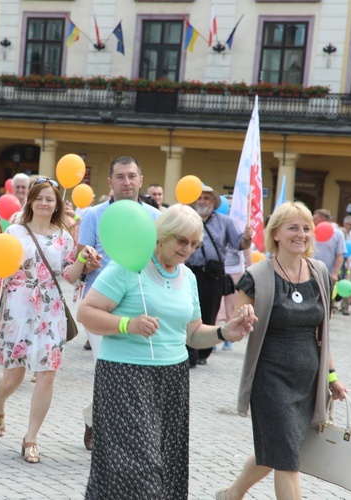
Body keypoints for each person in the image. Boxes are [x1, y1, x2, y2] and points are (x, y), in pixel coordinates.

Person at [78, 204, 256, 498]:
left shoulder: (187, 277)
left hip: (172, 378)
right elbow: (86, 312)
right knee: (140, 466)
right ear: (161, 236)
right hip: (125, 375)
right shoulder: (127, 267)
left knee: (168, 464)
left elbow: (194, 334)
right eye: (181, 241)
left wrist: (225, 331)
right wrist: (127, 324)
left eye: (194, 243)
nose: (187, 249)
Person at [217, 201, 348, 500]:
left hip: (307, 379)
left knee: (278, 450)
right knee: (288, 460)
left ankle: (231, 494)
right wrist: (243, 319)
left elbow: (323, 333)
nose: (301, 234)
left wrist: (331, 376)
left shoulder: (320, 273)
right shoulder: (257, 275)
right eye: (293, 228)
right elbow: (237, 327)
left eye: (306, 228)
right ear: (276, 233)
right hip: (271, 380)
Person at [0, 178, 97, 464]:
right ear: (31, 201)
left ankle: (31, 438)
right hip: (18, 306)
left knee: (47, 375)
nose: (45, 203)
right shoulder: (15, 231)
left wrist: (82, 258)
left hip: (51, 311)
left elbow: (70, 276)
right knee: (14, 375)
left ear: (57, 204)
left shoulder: (64, 236)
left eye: (50, 199)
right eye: (40, 198)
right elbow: (0, 272)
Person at [76, 155, 161, 450]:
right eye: (120, 177)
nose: (127, 182)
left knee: (132, 373)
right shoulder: (93, 216)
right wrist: (88, 262)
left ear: (140, 180)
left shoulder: (155, 218)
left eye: (132, 176)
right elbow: (77, 262)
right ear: (110, 183)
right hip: (100, 306)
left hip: (140, 305)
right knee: (108, 368)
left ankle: (93, 416)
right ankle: (106, 431)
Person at [185, 185, 252, 367]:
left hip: (212, 275)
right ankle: (189, 353)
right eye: (199, 198)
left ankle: (203, 351)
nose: (202, 201)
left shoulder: (224, 222)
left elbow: (240, 244)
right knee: (187, 311)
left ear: (214, 202)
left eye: (206, 198)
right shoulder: (188, 218)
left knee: (209, 312)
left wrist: (247, 238)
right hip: (188, 271)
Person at [312, 209, 346, 287]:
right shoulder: (310, 231)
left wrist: (335, 273)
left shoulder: (337, 234)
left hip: (327, 273)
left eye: (315, 219)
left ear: (322, 219)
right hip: (310, 271)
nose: (313, 220)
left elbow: (340, 255)